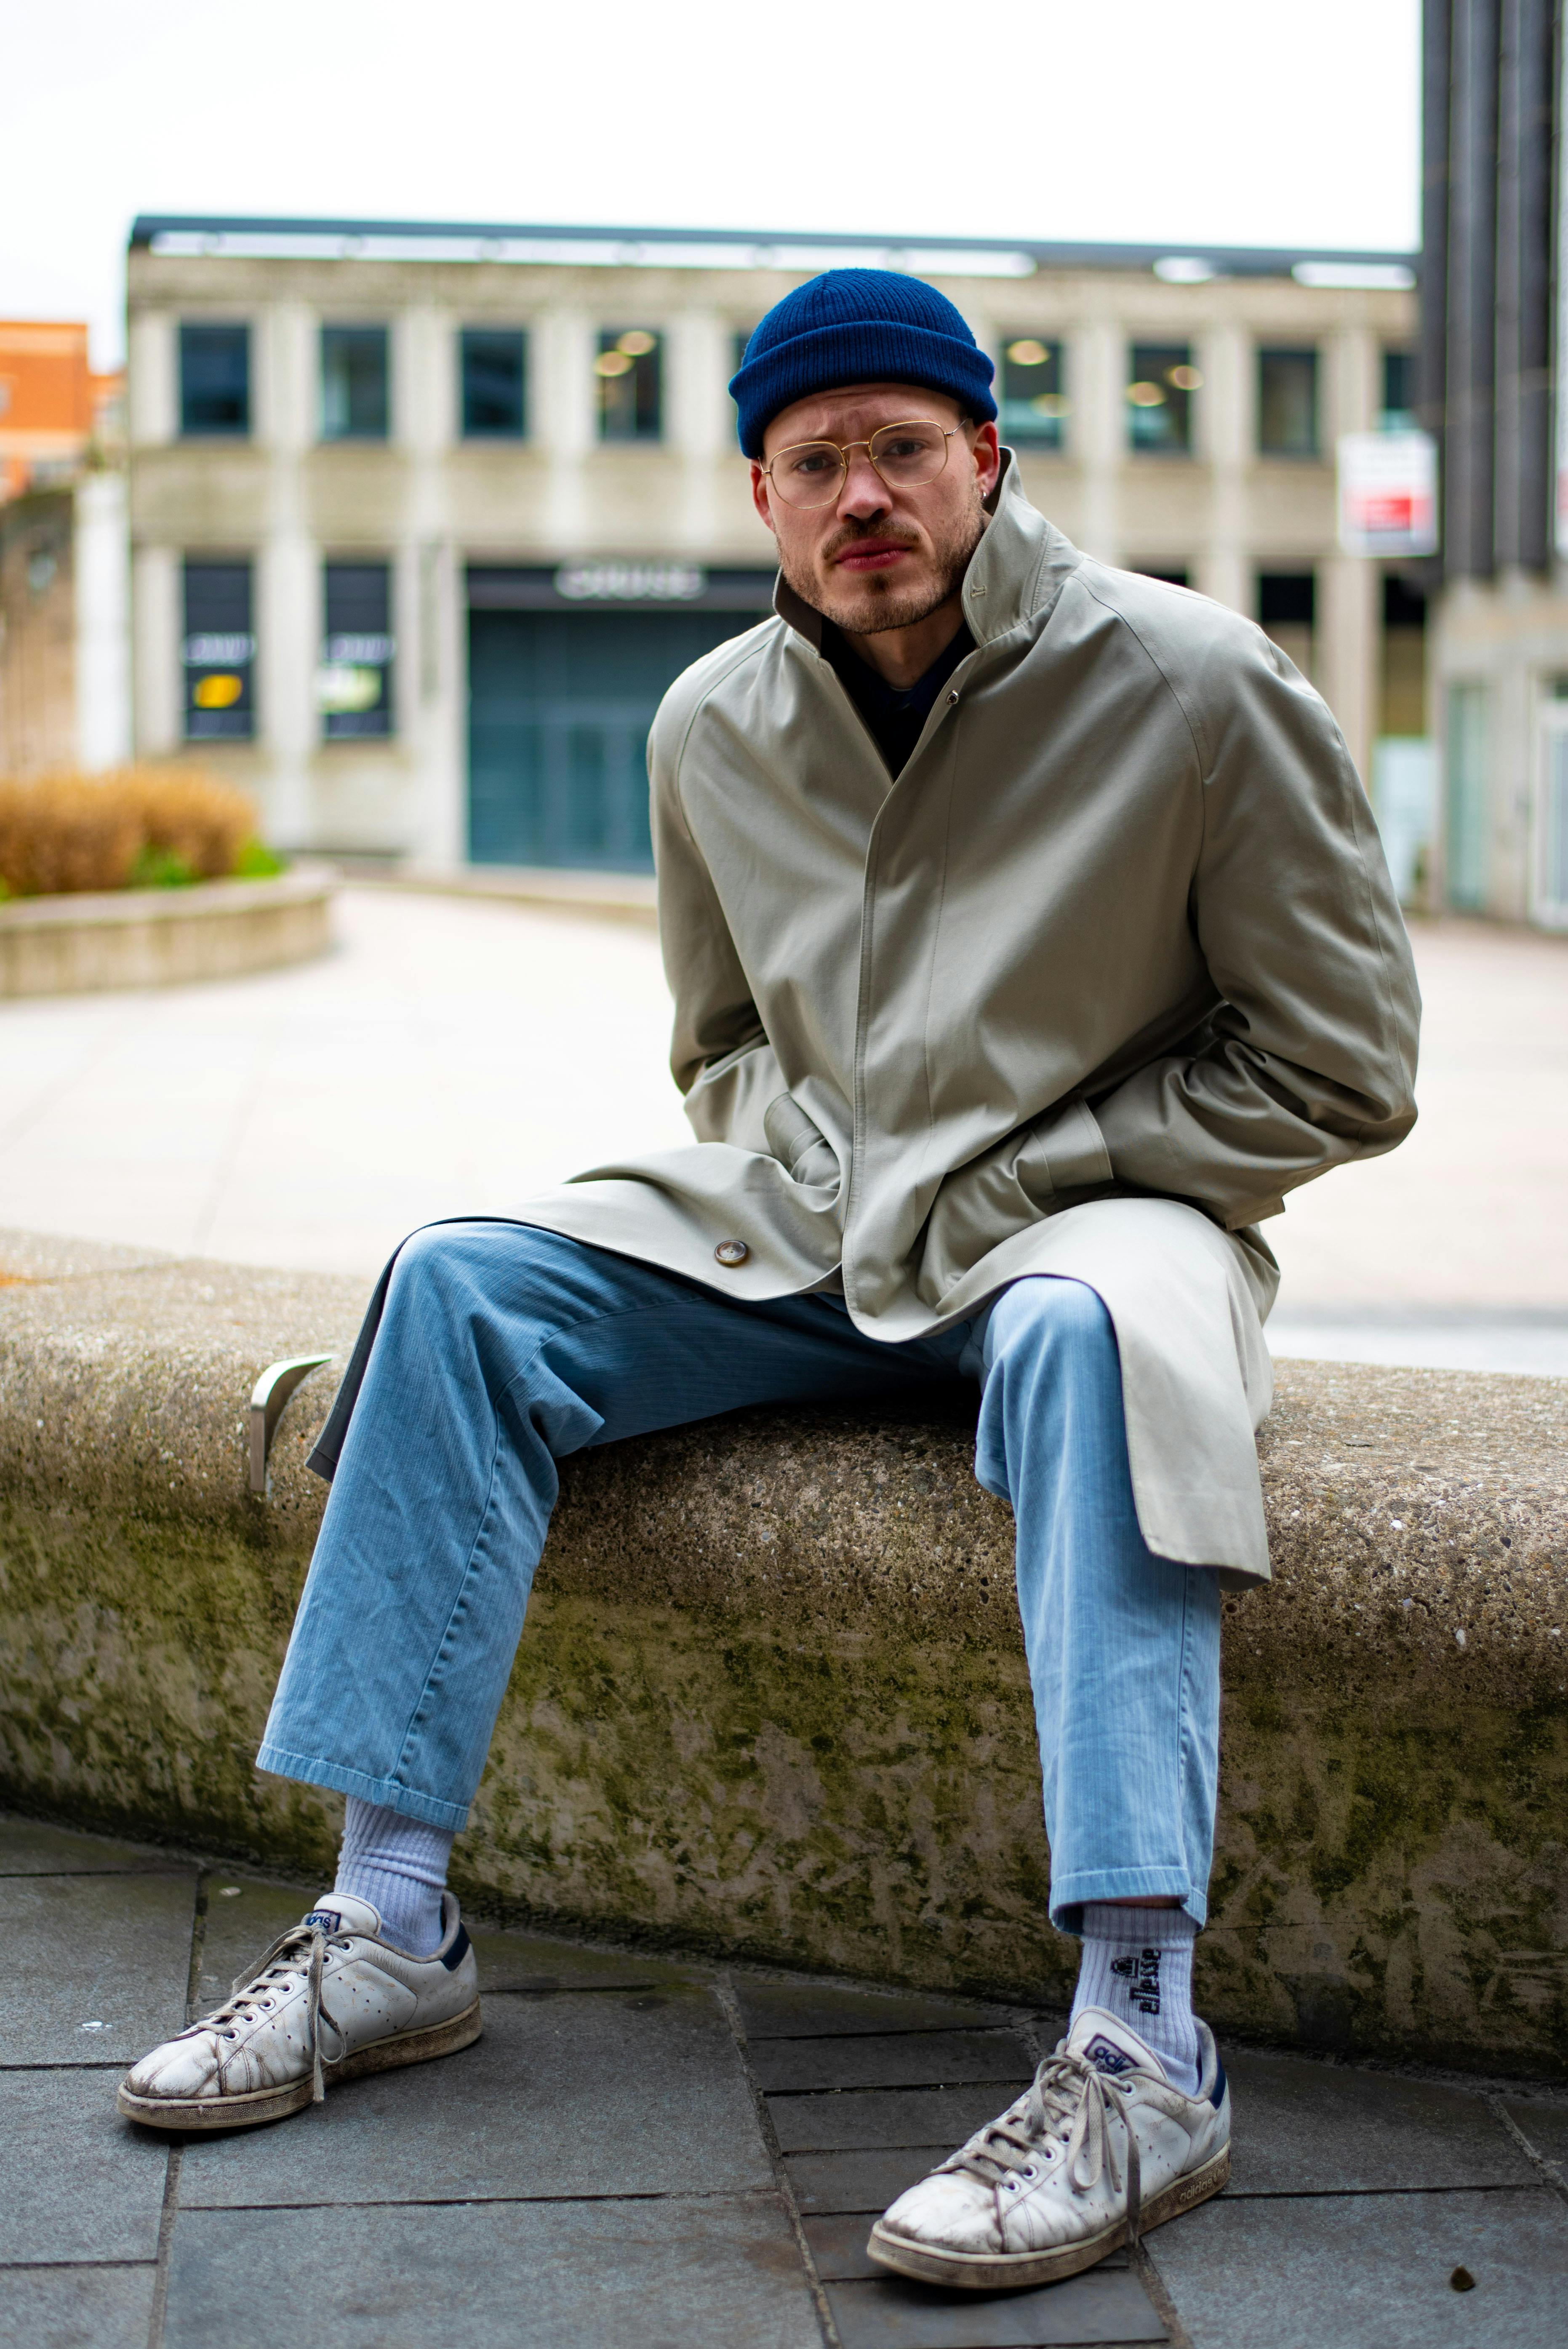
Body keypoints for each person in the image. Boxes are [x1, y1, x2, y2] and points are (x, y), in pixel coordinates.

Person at [120, 271, 1419, 2289]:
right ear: (760, 494)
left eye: (903, 445)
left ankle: (1147, 2042)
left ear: (987, 458)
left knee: (1091, 1339)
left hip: (1100, 1219)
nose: (862, 493)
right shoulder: (708, 723)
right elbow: (716, 1044)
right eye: (815, 461)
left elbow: (1341, 1066)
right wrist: (814, 1161)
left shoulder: (1195, 682)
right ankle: (390, 1927)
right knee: (460, 1282)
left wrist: (1042, 1165)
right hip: (819, 1223)